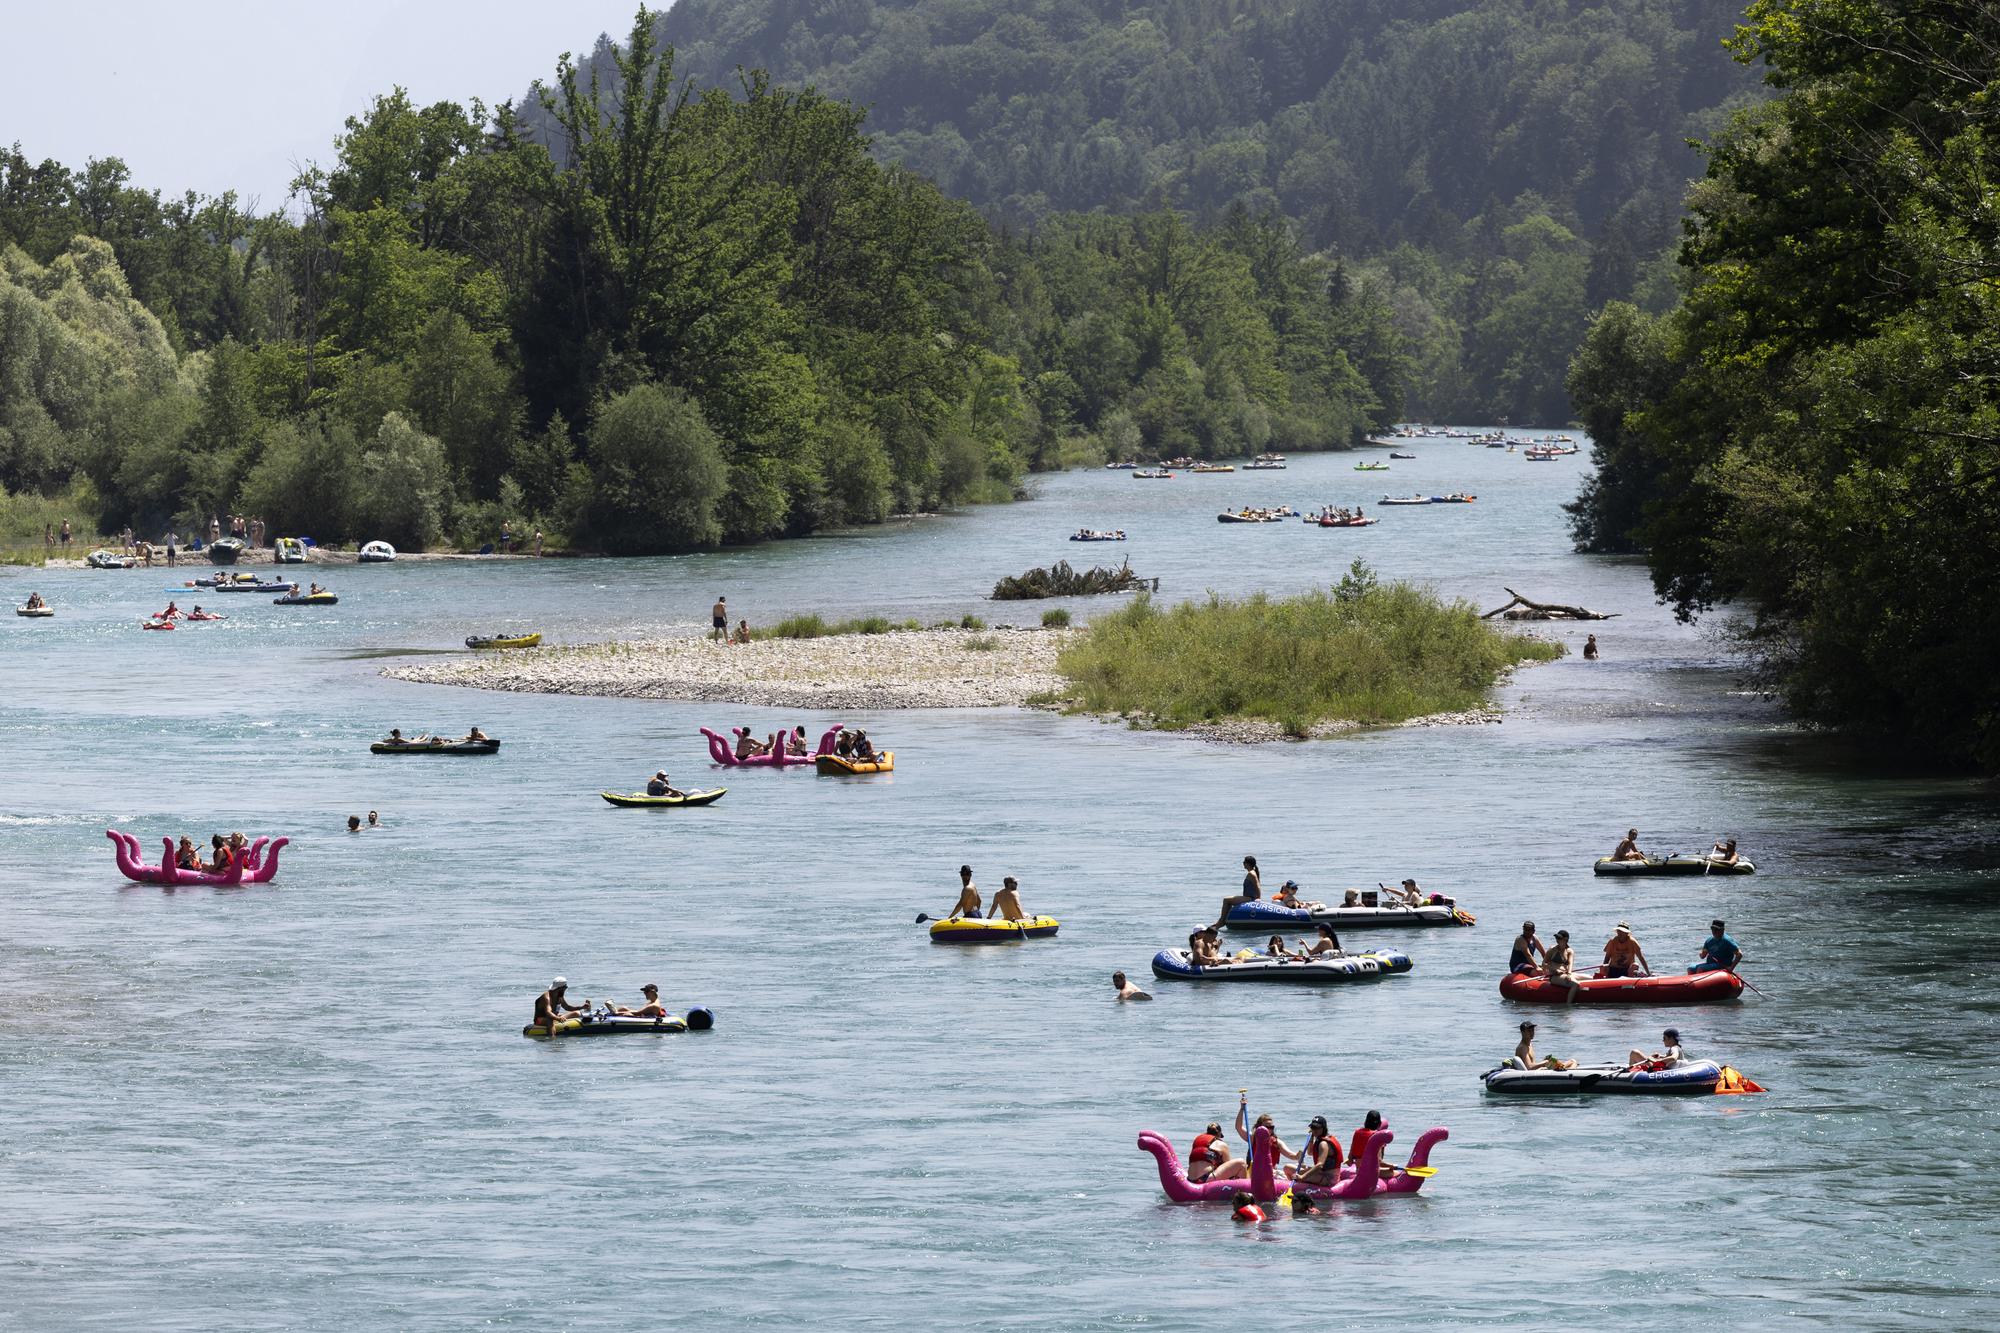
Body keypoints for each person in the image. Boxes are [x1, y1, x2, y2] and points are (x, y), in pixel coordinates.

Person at [1211, 855, 1263, 930]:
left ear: (1248, 863)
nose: (1243, 863)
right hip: (1249, 897)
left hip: (1250, 898)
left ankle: (1222, 920)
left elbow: (1257, 886)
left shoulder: (1251, 873)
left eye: (1244, 862)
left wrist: (1258, 898)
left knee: (1226, 900)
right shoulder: (1252, 872)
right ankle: (1223, 920)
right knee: (1229, 900)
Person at [1294, 1116, 1343, 1186]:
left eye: (1317, 1128)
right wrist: (1311, 1138)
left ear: (1323, 1128)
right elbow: (1310, 1152)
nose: (1314, 1130)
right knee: (1288, 1167)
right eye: (1313, 1128)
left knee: (1292, 1171)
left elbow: (1320, 1165)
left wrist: (1302, 1177)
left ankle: (1299, 1185)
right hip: (1322, 1174)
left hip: (1329, 1178)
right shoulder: (1320, 1139)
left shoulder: (1323, 1144)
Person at [1349, 1110, 1397, 1179]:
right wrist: (1391, 1166)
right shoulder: (1376, 1137)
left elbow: (1350, 1159)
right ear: (1379, 1124)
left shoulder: (1357, 1133)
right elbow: (1379, 1162)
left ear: (1365, 1122)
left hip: (1359, 1171)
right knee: (1395, 1173)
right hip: (1371, 1173)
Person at [1543, 929, 1582, 1002]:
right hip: (1554, 976)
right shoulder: (1552, 949)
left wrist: (1569, 974)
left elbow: (1570, 963)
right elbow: (1544, 964)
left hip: (1566, 974)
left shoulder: (1569, 951)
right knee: (1575, 984)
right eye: (1556, 938)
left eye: (1559, 938)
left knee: (1590, 977)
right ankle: (1568, 1005)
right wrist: (1555, 970)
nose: (1557, 940)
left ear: (1565, 940)